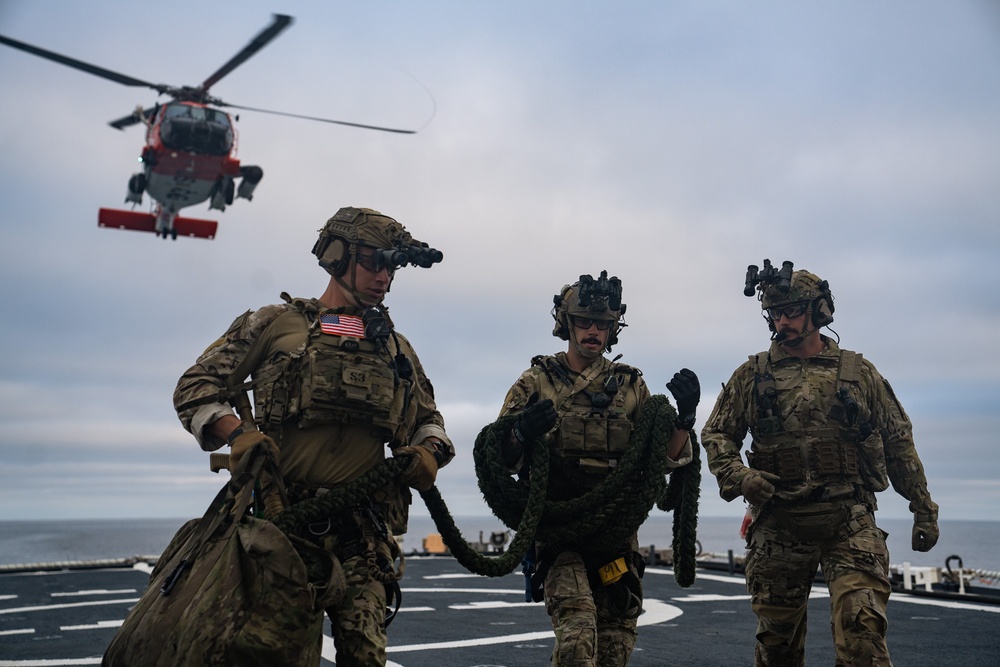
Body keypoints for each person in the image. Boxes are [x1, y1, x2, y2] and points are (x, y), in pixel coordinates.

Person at [173, 206, 454, 666]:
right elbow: (195, 387)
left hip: (362, 531)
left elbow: (430, 420)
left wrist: (428, 453)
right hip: (281, 526)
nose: (383, 276)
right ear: (337, 257)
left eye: (391, 266)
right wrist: (237, 432)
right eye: (373, 262)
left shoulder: (396, 350)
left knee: (366, 656)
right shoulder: (275, 325)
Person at [701, 260, 939, 667]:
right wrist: (741, 477)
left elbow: (899, 441)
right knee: (777, 646)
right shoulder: (753, 375)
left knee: (862, 633)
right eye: (775, 314)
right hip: (779, 521)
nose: (782, 323)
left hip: (848, 517)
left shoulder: (859, 374)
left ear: (819, 311)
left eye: (792, 312)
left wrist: (923, 510)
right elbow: (717, 434)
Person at [495, 270, 699, 667]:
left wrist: (685, 418)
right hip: (560, 537)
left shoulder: (630, 386)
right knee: (576, 637)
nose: (593, 331)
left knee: (615, 647)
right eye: (584, 322)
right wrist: (520, 432)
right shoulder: (536, 382)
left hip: (616, 538)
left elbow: (663, 460)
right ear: (566, 324)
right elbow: (500, 457)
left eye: (603, 324)